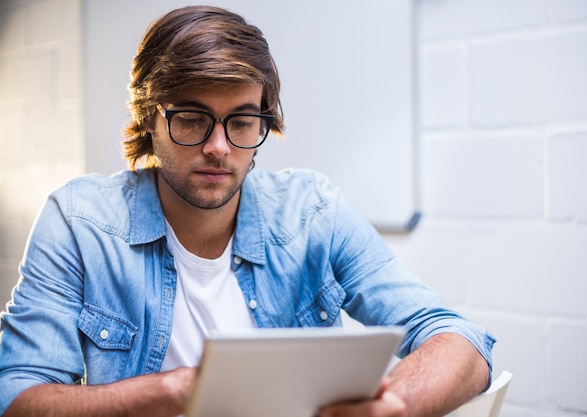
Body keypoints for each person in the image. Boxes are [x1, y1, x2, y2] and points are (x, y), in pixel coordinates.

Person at [0, 5, 495, 417]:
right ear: (149, 119)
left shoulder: (313, 213)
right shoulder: (78, 222)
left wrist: (397, 404)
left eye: (240, 121)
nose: (219, 147)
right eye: (192, 119)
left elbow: (460, 341)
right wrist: (172, 392)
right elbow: (18, 396)